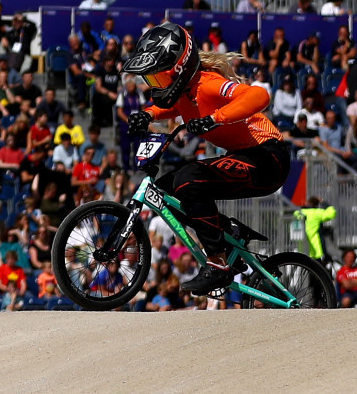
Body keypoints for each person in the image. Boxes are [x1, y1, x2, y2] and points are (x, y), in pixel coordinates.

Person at [123, 22, 292, 295]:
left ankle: (218, 263)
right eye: (151, 80)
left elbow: (260, 95)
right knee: (164, 193)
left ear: (178, 69)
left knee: (190, 178)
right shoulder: (184, 92)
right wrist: (149, 114)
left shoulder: (208, 83)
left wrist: (216, 118)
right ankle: (229, 235)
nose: (156, 85)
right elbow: (176, 107)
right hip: (244, 157)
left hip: (268, 158)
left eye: (159, 78)